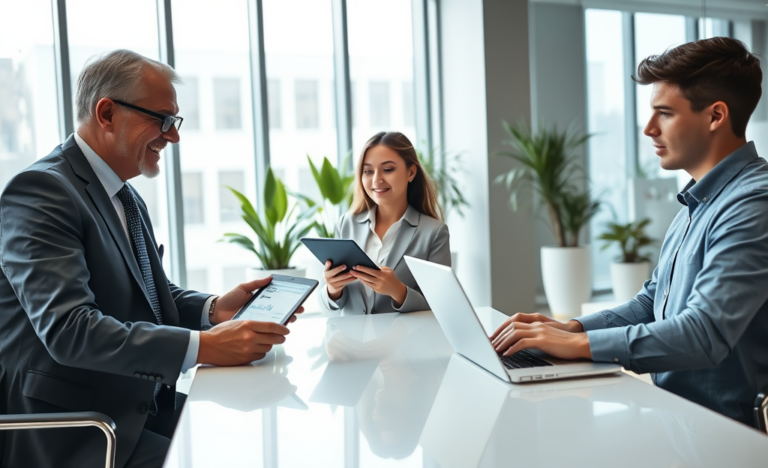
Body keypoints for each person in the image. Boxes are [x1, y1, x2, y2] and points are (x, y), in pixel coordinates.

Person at [0, 50, 300, 468]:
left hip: (136, 406)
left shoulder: (124, 195)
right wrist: (204, 347)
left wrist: (214, 309)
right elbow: (70, 331)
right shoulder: (40, 192)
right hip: (77, 430)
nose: (172, 136)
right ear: (106, 113)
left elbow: (147, 297)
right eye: (162, 119)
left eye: (174, 122)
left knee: (260, 435)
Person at [491, 37, 768, 427]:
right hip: (678, 420)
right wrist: (570, 327)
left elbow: (704, 333)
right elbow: (651, 303)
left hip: (726, 435)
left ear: (715, 116)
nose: (649, 129)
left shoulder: (753, 204)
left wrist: (579, 345)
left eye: (665, 113)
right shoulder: (698, 201)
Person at [320, 131, 450, 314]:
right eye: (368, 171)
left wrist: (398, 291)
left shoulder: (434, 233)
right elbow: (327, 306)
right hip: (349, 341)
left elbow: (442, 305)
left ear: (411, 172)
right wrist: (332, 289)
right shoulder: (346, 223)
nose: (376, 180)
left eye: (388, 169)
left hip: (402, 341)